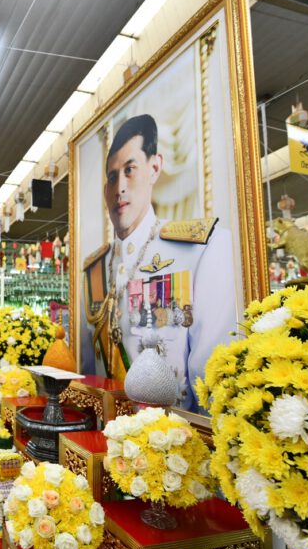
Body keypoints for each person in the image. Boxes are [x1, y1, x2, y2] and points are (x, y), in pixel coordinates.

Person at [95, 113, 236, 411]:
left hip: (173, 444)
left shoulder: (200, 249)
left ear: (155, 167)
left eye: (130, 170)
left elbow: (212, 378)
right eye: (112, 176)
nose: (119, 186)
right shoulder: (96, 268)